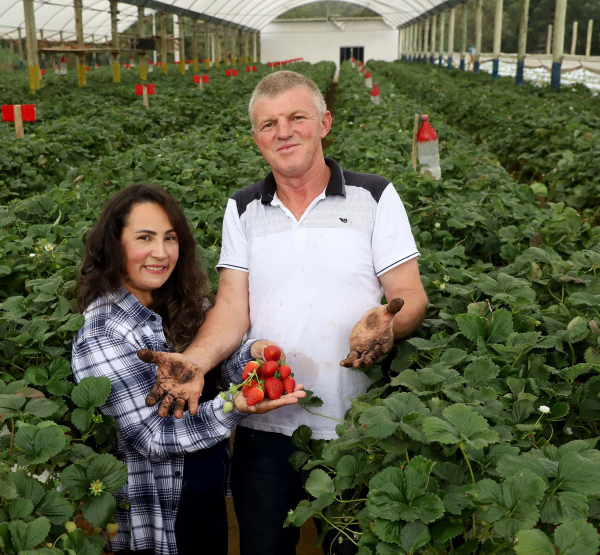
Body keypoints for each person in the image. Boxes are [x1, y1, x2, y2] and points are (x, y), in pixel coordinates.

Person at [142, 71, 429, 554]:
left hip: (357, 425)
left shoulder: (374, 196)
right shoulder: (242, 208)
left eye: (297, 118)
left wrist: (389, 324)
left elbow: (409, 293)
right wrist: (195, 361)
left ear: (324, 123)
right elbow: (231, 307)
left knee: (352, 547)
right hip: (262, 425)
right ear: (256, 138)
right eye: (268, 124)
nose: (284, 132)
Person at [71, 183, 306, 555]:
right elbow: (152, 436)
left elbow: (214, 369)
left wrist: (251, 357)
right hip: (161, 515)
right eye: (144, 237)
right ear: (114, 245)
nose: (161, 252)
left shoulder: (187, 303)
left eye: (170, 238)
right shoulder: (104, 332)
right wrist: (235, 406)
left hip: (206, 495)